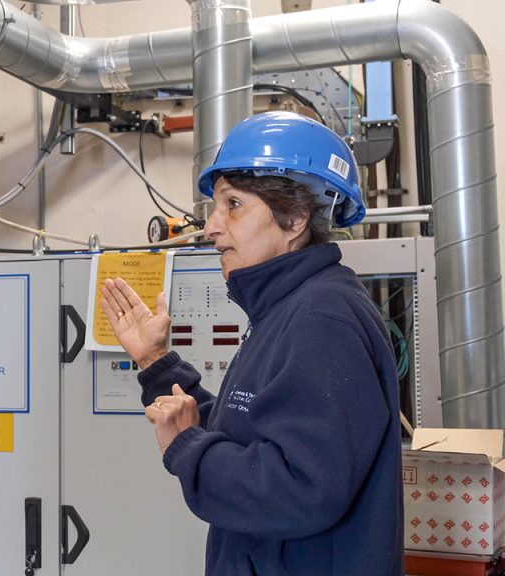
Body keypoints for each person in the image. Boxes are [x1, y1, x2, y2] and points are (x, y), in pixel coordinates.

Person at [100, 111, 403, 576]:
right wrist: (155, 362)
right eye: (214, 208)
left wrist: (187, 448)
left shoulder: (321, 319)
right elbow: (244, 434)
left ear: (296, 219)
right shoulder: (287, 310)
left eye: (234, 205)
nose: (212, 227)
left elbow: (300, 489)